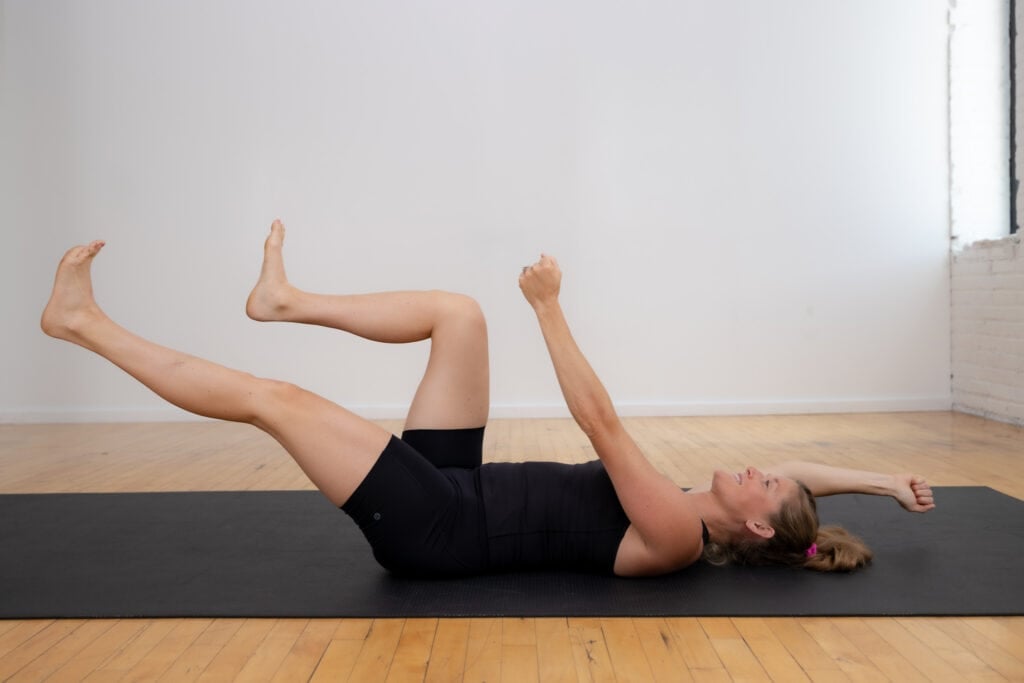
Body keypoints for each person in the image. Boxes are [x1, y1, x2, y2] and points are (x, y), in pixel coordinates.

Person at [41, 220, 935, 577]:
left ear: (749, 526)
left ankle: (81, 323)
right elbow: (801, 476)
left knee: (275, 399)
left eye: (763, 485)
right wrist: (885, 480)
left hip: (436, 529)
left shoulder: (672, 533)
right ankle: (284, 301)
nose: (758, 470)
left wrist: (548, 308)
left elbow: (600, 421)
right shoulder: (722, 505)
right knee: (458, 317)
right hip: (458, 483)